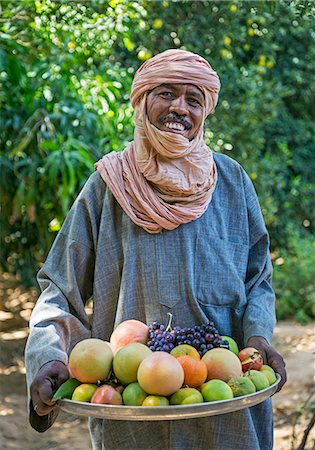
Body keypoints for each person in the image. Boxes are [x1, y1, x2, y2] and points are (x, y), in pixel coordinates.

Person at [25, 49, 287, 449]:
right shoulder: (109, 186)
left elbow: (258, 280)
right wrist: (47, 355)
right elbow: (60, 287)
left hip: (224, 403)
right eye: (166, 93)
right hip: (131, 405)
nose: (179, 108)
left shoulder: (232, 182)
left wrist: (258, 338)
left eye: (193, 99)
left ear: (205, 112)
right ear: (143, 101)